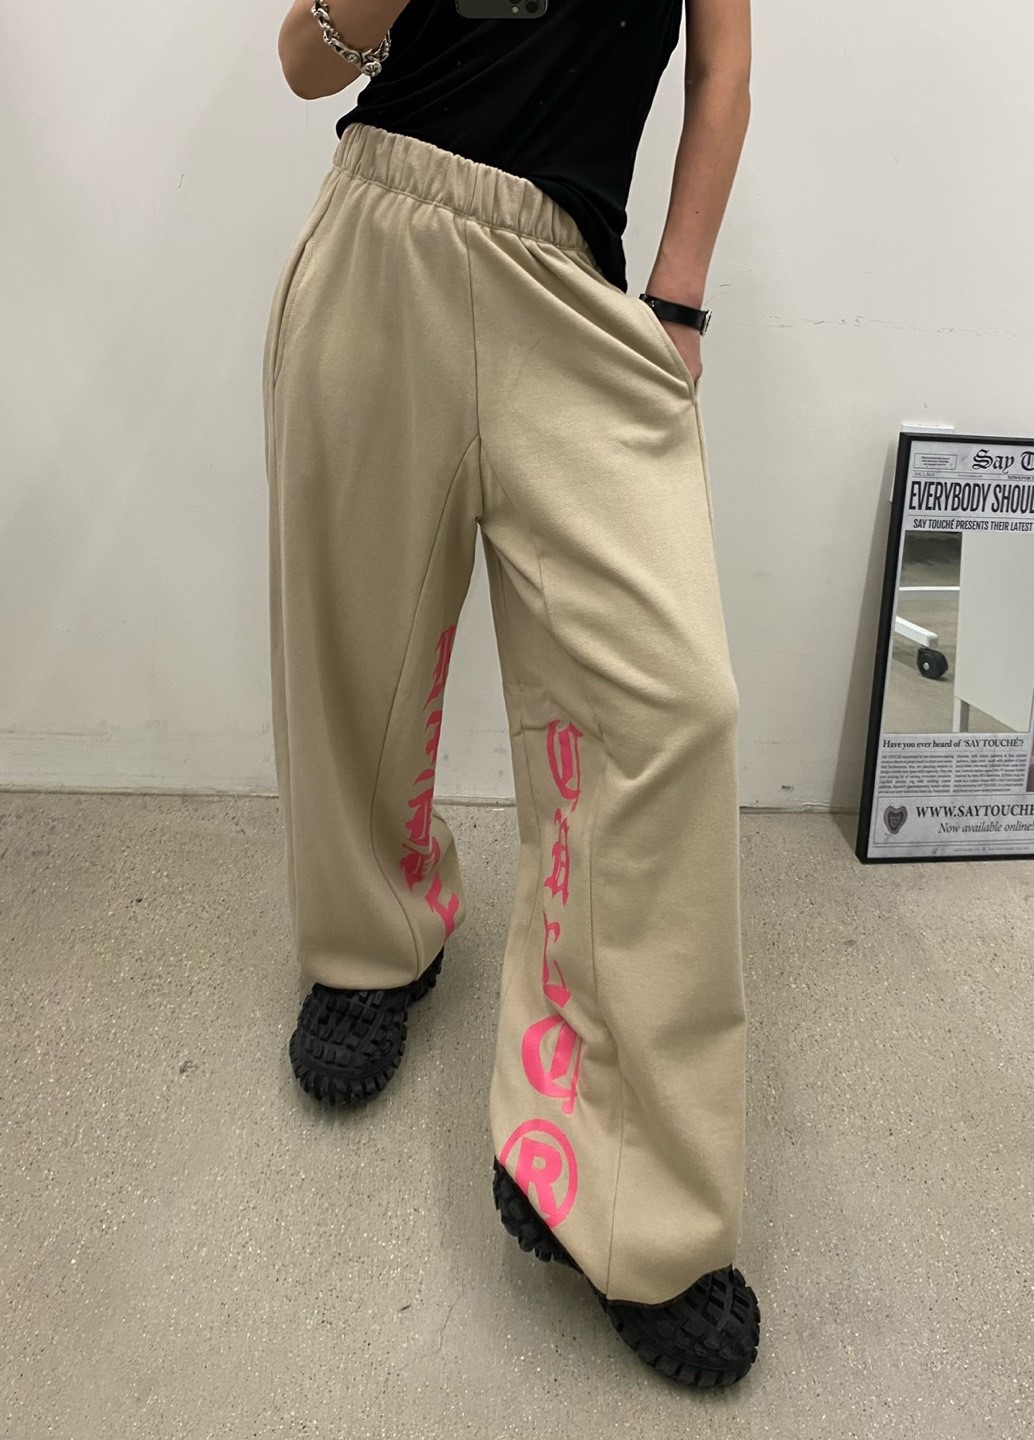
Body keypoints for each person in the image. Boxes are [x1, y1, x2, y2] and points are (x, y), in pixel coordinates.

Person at [264, 0, 760, 1388]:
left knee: (672, 710)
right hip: (383, 225)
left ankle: (623, 1180)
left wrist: (677, 295)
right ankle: (373, 939)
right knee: (354, 640)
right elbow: (304, 62)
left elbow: (722, 68)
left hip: (571, 286)